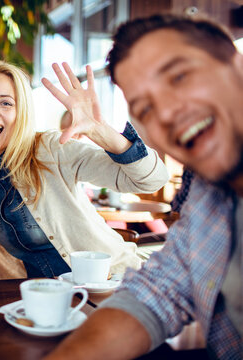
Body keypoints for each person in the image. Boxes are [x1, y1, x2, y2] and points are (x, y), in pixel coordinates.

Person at [45, 14, 243, 359]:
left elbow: (150, 179)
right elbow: (158, 293)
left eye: (179, 77)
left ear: (235, 65)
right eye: (145, 108)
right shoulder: (211, 199)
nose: (165, 112)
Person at [0, 60, 169, 279]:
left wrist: (99, 131)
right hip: (38, 298)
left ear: (21, 113)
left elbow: (153, 180)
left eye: (6, 103)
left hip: (110, 284)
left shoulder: (51, 149)